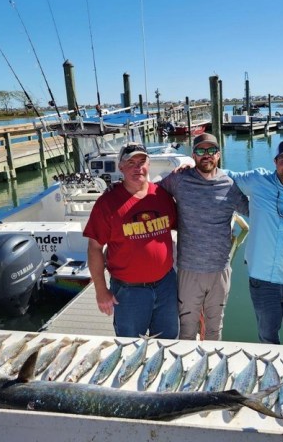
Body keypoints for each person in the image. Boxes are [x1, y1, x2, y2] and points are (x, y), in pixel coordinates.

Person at [224, 139, 283, 346]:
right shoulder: (257, 180)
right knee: (267, 338)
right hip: (262, 281)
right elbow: (224, 176)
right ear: (275, 161)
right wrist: (190, 165)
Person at [83, 142, 179, 338]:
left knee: (168, 344)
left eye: (142, 161)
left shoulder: (162, 196)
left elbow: (182, 227)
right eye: (131, 162)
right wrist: (101, 290)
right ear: (121, 167)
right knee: (129, 348)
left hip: (166, 285)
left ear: (149, 165)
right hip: (129, 292)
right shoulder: (107, 203)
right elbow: (94, 248)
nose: (138, 167)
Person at [159, 133, 249, 341]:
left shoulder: (230, 185)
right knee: (187, 328)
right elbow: (151, 194)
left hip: (220, 271)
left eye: (211, 151)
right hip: (189, 270)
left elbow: (255, 210)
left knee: (215, 328)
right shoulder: (178, 180)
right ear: (193, 155)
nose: (206, 155)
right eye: (200, 151)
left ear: (218, 155)